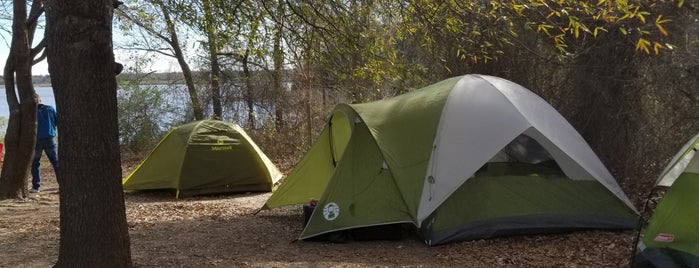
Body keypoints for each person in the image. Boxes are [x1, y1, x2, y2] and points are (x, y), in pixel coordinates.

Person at [30, 93, 59, 193]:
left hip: (37, 140)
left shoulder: (31, 113)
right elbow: (56, 122)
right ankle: (62, 184)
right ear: (40, 100)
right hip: (50, 138)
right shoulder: (50, 109)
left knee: (35, 163)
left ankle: (36, 187)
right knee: (55, 162)